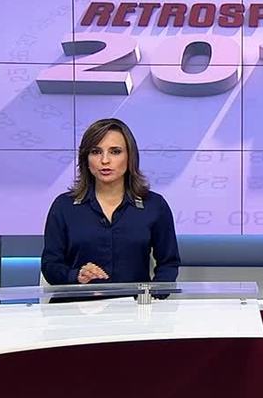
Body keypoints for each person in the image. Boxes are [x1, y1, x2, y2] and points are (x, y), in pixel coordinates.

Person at [41, 118, 180, 296]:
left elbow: (168, 264)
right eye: (96, 152)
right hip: (76, 308)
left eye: (115, 152)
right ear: (86, 159)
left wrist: (153, 298)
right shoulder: (64, 206)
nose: (105, 160)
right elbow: (50, 266)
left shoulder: (154, 205)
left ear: (130, 156)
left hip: (134, 308)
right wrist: (76, 275)